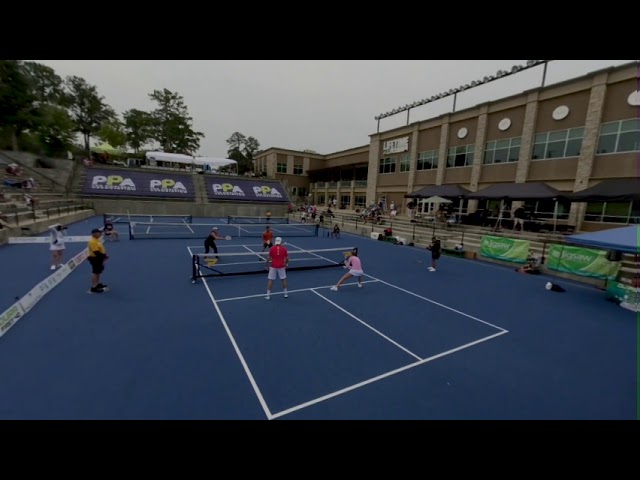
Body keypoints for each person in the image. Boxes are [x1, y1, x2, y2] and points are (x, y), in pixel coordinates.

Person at [87, 228, 108, 293]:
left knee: (98, 271)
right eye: (99, 232)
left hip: (99, 258)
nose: (100, 233)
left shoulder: (97, 240)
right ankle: (94, 287)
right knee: (95, 272)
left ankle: (97, 284)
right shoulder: (92, 241)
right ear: (94, 233)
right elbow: (96, 252)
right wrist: (104, 256)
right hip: (95, 258)